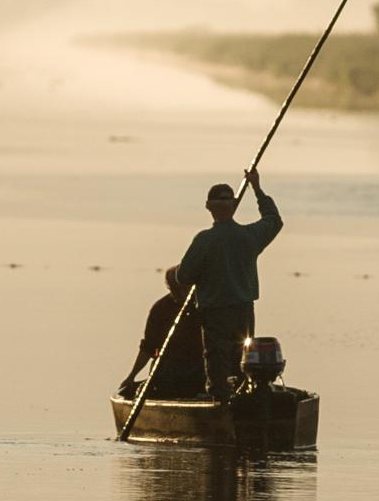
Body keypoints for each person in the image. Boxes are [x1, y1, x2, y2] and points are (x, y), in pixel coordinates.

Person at [176, 168, 283, 399]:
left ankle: (220, 403)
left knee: (217, 361)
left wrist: (203, 273)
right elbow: (274, 221)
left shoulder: (204, 240)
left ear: (208, 206)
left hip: (214, 313)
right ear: (233, 206)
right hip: (244, 311)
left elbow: (182, 277)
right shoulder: (249, 236)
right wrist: (257, 189)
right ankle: (244, 397)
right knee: (242, 359)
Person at [117, 266, 207, 400]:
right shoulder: (161, 309)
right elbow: (148, 347)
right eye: (174, 290)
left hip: (199, 367)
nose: (180, 294)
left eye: (183, 289)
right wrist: (132, 376)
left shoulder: (205, 306)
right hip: (169, 370)